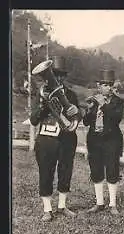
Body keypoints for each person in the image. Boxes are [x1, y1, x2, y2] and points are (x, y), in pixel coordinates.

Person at [30, 56, 81, 221]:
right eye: (53, 75)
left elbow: (78, 114)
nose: (56, 79)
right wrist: (44, 107)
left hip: (67, 138)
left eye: (59, 75)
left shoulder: (71, 95)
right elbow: (33, 120)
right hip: (46, 139)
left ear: (64, 77)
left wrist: (76, 114)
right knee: (46, 172)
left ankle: (62, 206)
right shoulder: (40, 94)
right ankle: (47, 209)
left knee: (65, 171)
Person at [83, 69, 124, 216]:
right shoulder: (94, 101)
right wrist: (88, 110)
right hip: (95, 140)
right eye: (103, 85)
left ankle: (112, 204)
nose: (106, 87)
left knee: (112, 171)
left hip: (111, 140)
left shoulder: (118, 101)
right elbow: (86, 123)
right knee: (96, 171)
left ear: (112, 87)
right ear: (99, 86)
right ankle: (99, 203)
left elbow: (116, 119)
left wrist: (104, 105)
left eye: (108, 85)